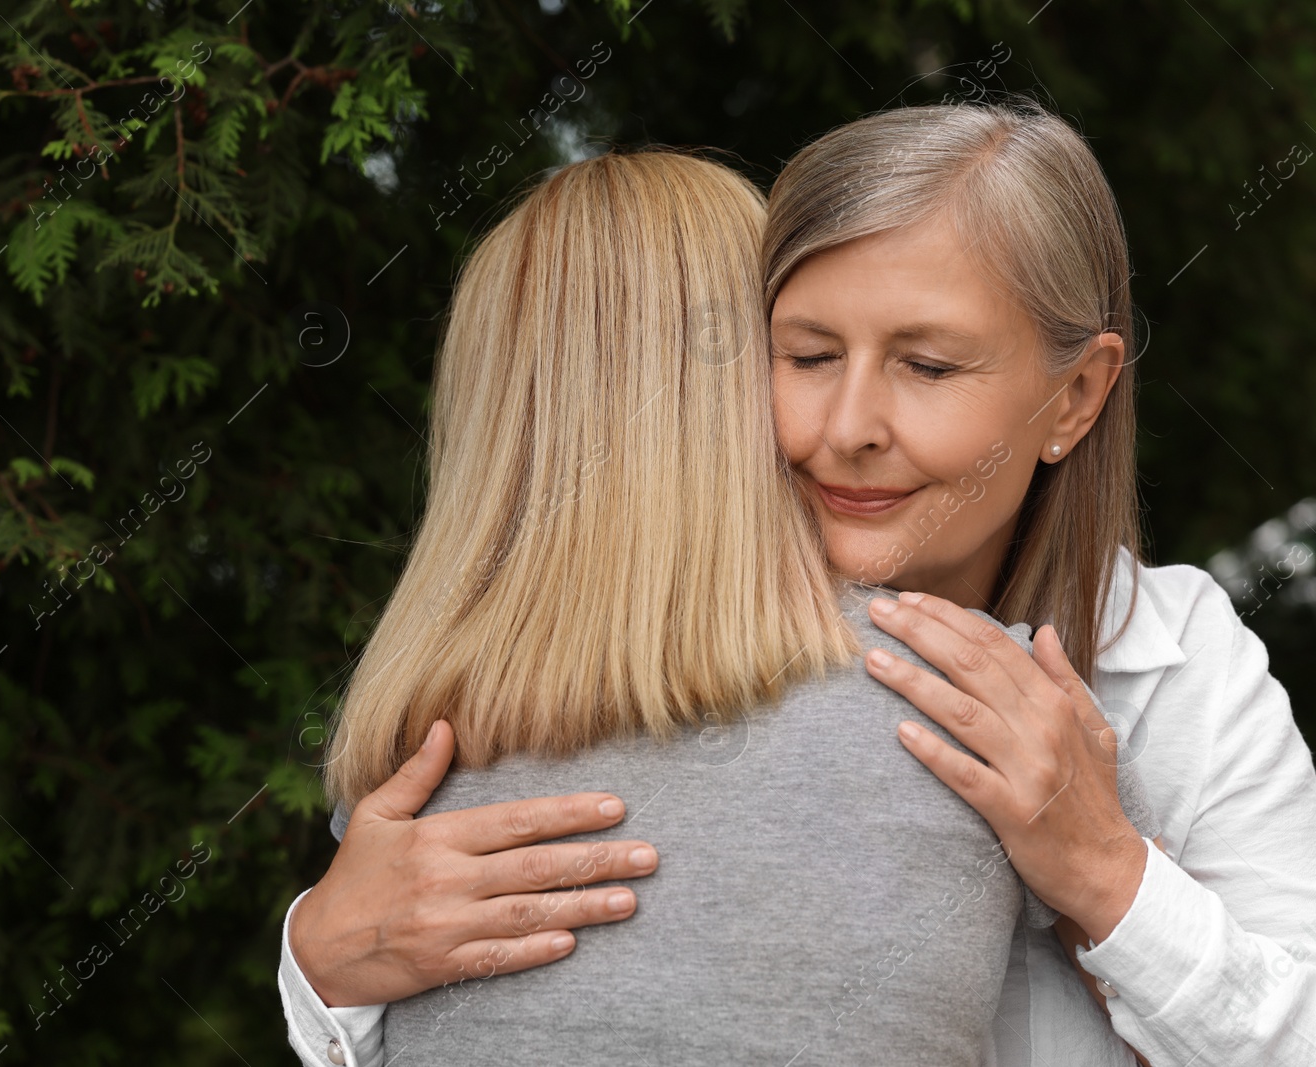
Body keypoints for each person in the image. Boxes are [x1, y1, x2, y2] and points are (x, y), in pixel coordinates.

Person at [283, 99, 1316, 1067]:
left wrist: (1107, 874)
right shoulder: (624, 633)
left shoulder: (1176, 663)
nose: (846, 429)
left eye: (928, 366)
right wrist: (322, 958)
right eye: (808, 354)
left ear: (1074, 396)